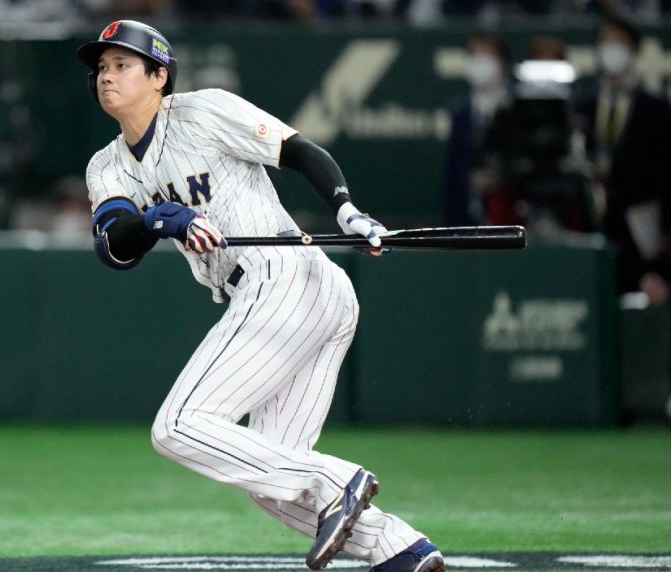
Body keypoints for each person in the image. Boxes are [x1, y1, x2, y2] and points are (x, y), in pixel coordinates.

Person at [77, 20, 444, 572]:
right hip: (275, 294)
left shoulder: (202, 112)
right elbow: (115, 247)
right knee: (269, 481)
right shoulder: (106, 166)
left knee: (178, 426)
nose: (107, 76)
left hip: (284, 275)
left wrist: (347, 210)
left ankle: (336, 479)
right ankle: (400, 551)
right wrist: (155, 218)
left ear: (159, 76)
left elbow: (299, 151)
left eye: (122, 64)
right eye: (102, 68)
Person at [574, 15, 671, 294]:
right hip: (594, 224)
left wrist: (668, 230)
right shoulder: (583, 105)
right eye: (605, 42)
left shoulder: (655, 108)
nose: (611, 49)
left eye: (618, 42)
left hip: (641, 228)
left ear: (633, 49)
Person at [442, 32, 511, 226]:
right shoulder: (460, 112)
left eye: (487, 55)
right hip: (468, 215)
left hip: (509, 211)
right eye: (475, 55)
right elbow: (453, 172)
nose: (481, 62)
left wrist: (498, 179)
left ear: (502, 61)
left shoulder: (516, 105)